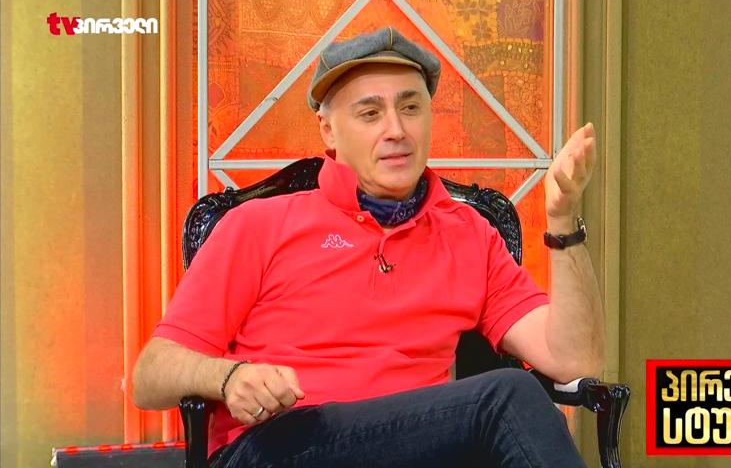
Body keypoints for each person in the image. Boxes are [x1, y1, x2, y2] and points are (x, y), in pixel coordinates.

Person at [133, 27, 603, 468]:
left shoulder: (469, 234)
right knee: (509, 395)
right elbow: (150, 375)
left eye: (411, 108)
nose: (396, 129)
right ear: (328, 131)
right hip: (280, 443)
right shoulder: (258, 224)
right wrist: (229, 377)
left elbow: (571, 361)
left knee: (512, 399)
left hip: (417, 448)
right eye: (370, 113)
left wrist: (562, 220)